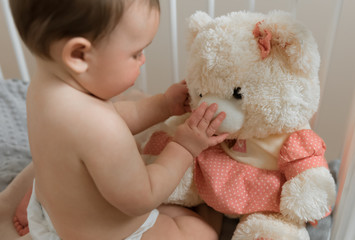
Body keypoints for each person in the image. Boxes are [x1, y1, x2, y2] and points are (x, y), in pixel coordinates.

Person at [9, 0, 228, 239]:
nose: (143, 60)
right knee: (201, 231)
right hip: (107, 234)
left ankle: (35, 200)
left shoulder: (43, 86)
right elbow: (144, 196)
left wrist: (163, 105)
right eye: (136, 53)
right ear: (79, 55)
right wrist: (184, 146)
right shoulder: (100, 127)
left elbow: (114, 117)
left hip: (51, 214)